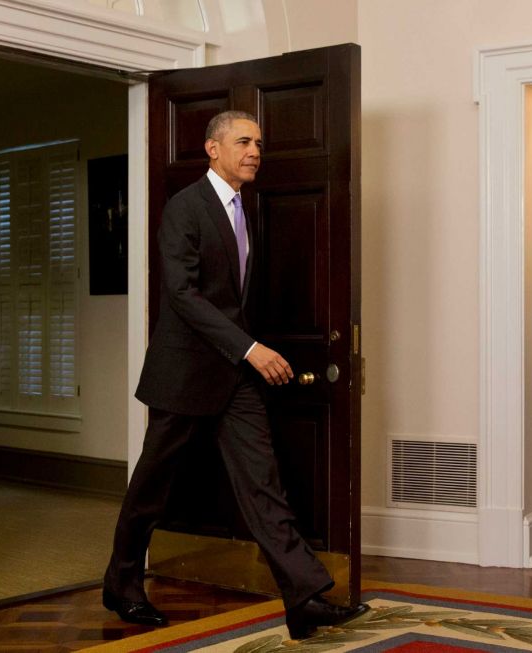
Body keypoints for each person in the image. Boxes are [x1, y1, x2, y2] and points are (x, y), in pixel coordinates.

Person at [102, 110, 368, 639]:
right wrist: (250, 349)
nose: (255, 152)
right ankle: (123, 583)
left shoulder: (248, 209)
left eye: (259, 144)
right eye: (244, 141)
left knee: (263, 483)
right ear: (212, 148)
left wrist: (244, 354)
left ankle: (304, 597)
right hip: (184, 374)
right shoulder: (185, 208)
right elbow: (182, 294)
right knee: (152, 488)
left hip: (234, 378)